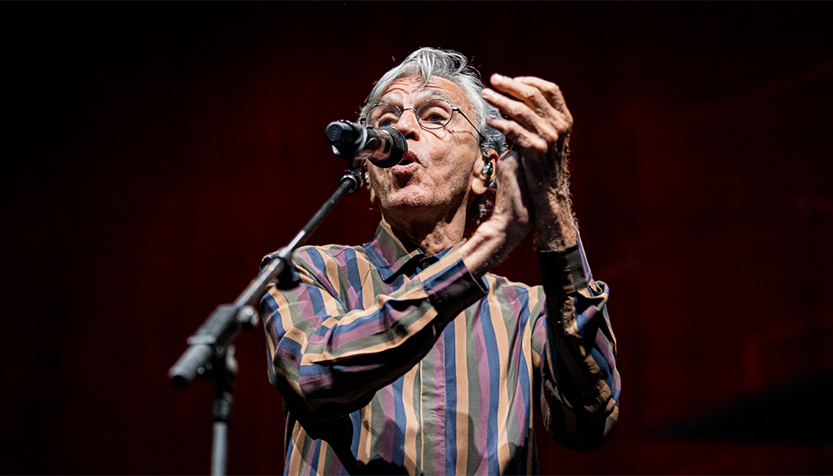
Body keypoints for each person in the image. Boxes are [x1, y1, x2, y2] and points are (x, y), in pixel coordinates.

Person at [260, 47, 619, 475]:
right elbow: (314, 376)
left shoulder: (529, 311)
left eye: (433, 116)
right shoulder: (307, 272)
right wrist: (488, 245)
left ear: (486, 169)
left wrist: (554, 201)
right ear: (370, 176)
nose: (404, 128)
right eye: (387, 121)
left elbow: (589, 420)